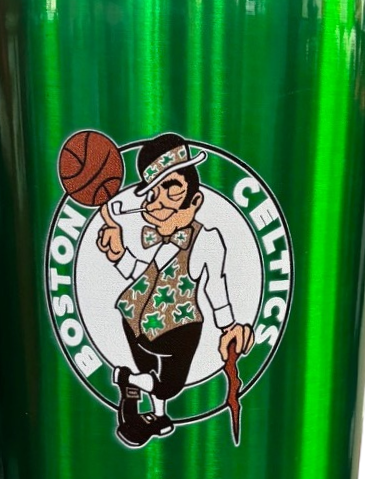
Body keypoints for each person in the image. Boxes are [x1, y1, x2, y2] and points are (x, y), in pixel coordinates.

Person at [97, 132, 253, 447]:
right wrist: (118, 253)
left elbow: (216, 287)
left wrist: (228, 327)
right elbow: (141, 275)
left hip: (173, 326)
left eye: (171, 189)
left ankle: (148, 404)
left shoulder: (207, 240)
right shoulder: (160, 240)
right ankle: (136, 386)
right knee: (161, 379)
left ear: (195, 201)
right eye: (152, 194)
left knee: (165, 383)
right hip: (138, 319)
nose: (157, 203)